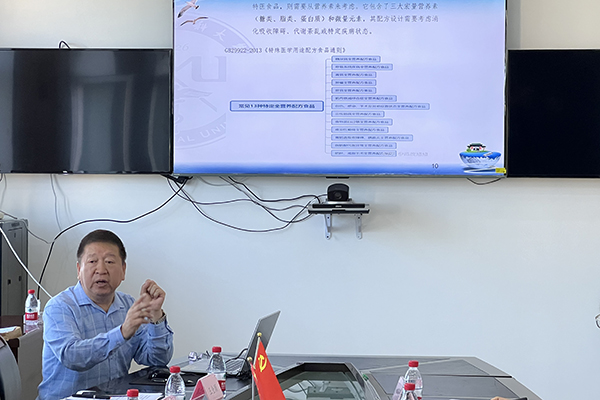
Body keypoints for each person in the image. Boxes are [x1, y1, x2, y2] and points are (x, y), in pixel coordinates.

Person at [37, 229, 174, 400]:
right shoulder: (59, 307)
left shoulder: (128, 305)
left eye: (109, 262)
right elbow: (72, 356)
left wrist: (156, 318)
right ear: (79, 270)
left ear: (123, 270)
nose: (101, 270)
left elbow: (156, 360)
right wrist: (121, 333)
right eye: (92, 261)